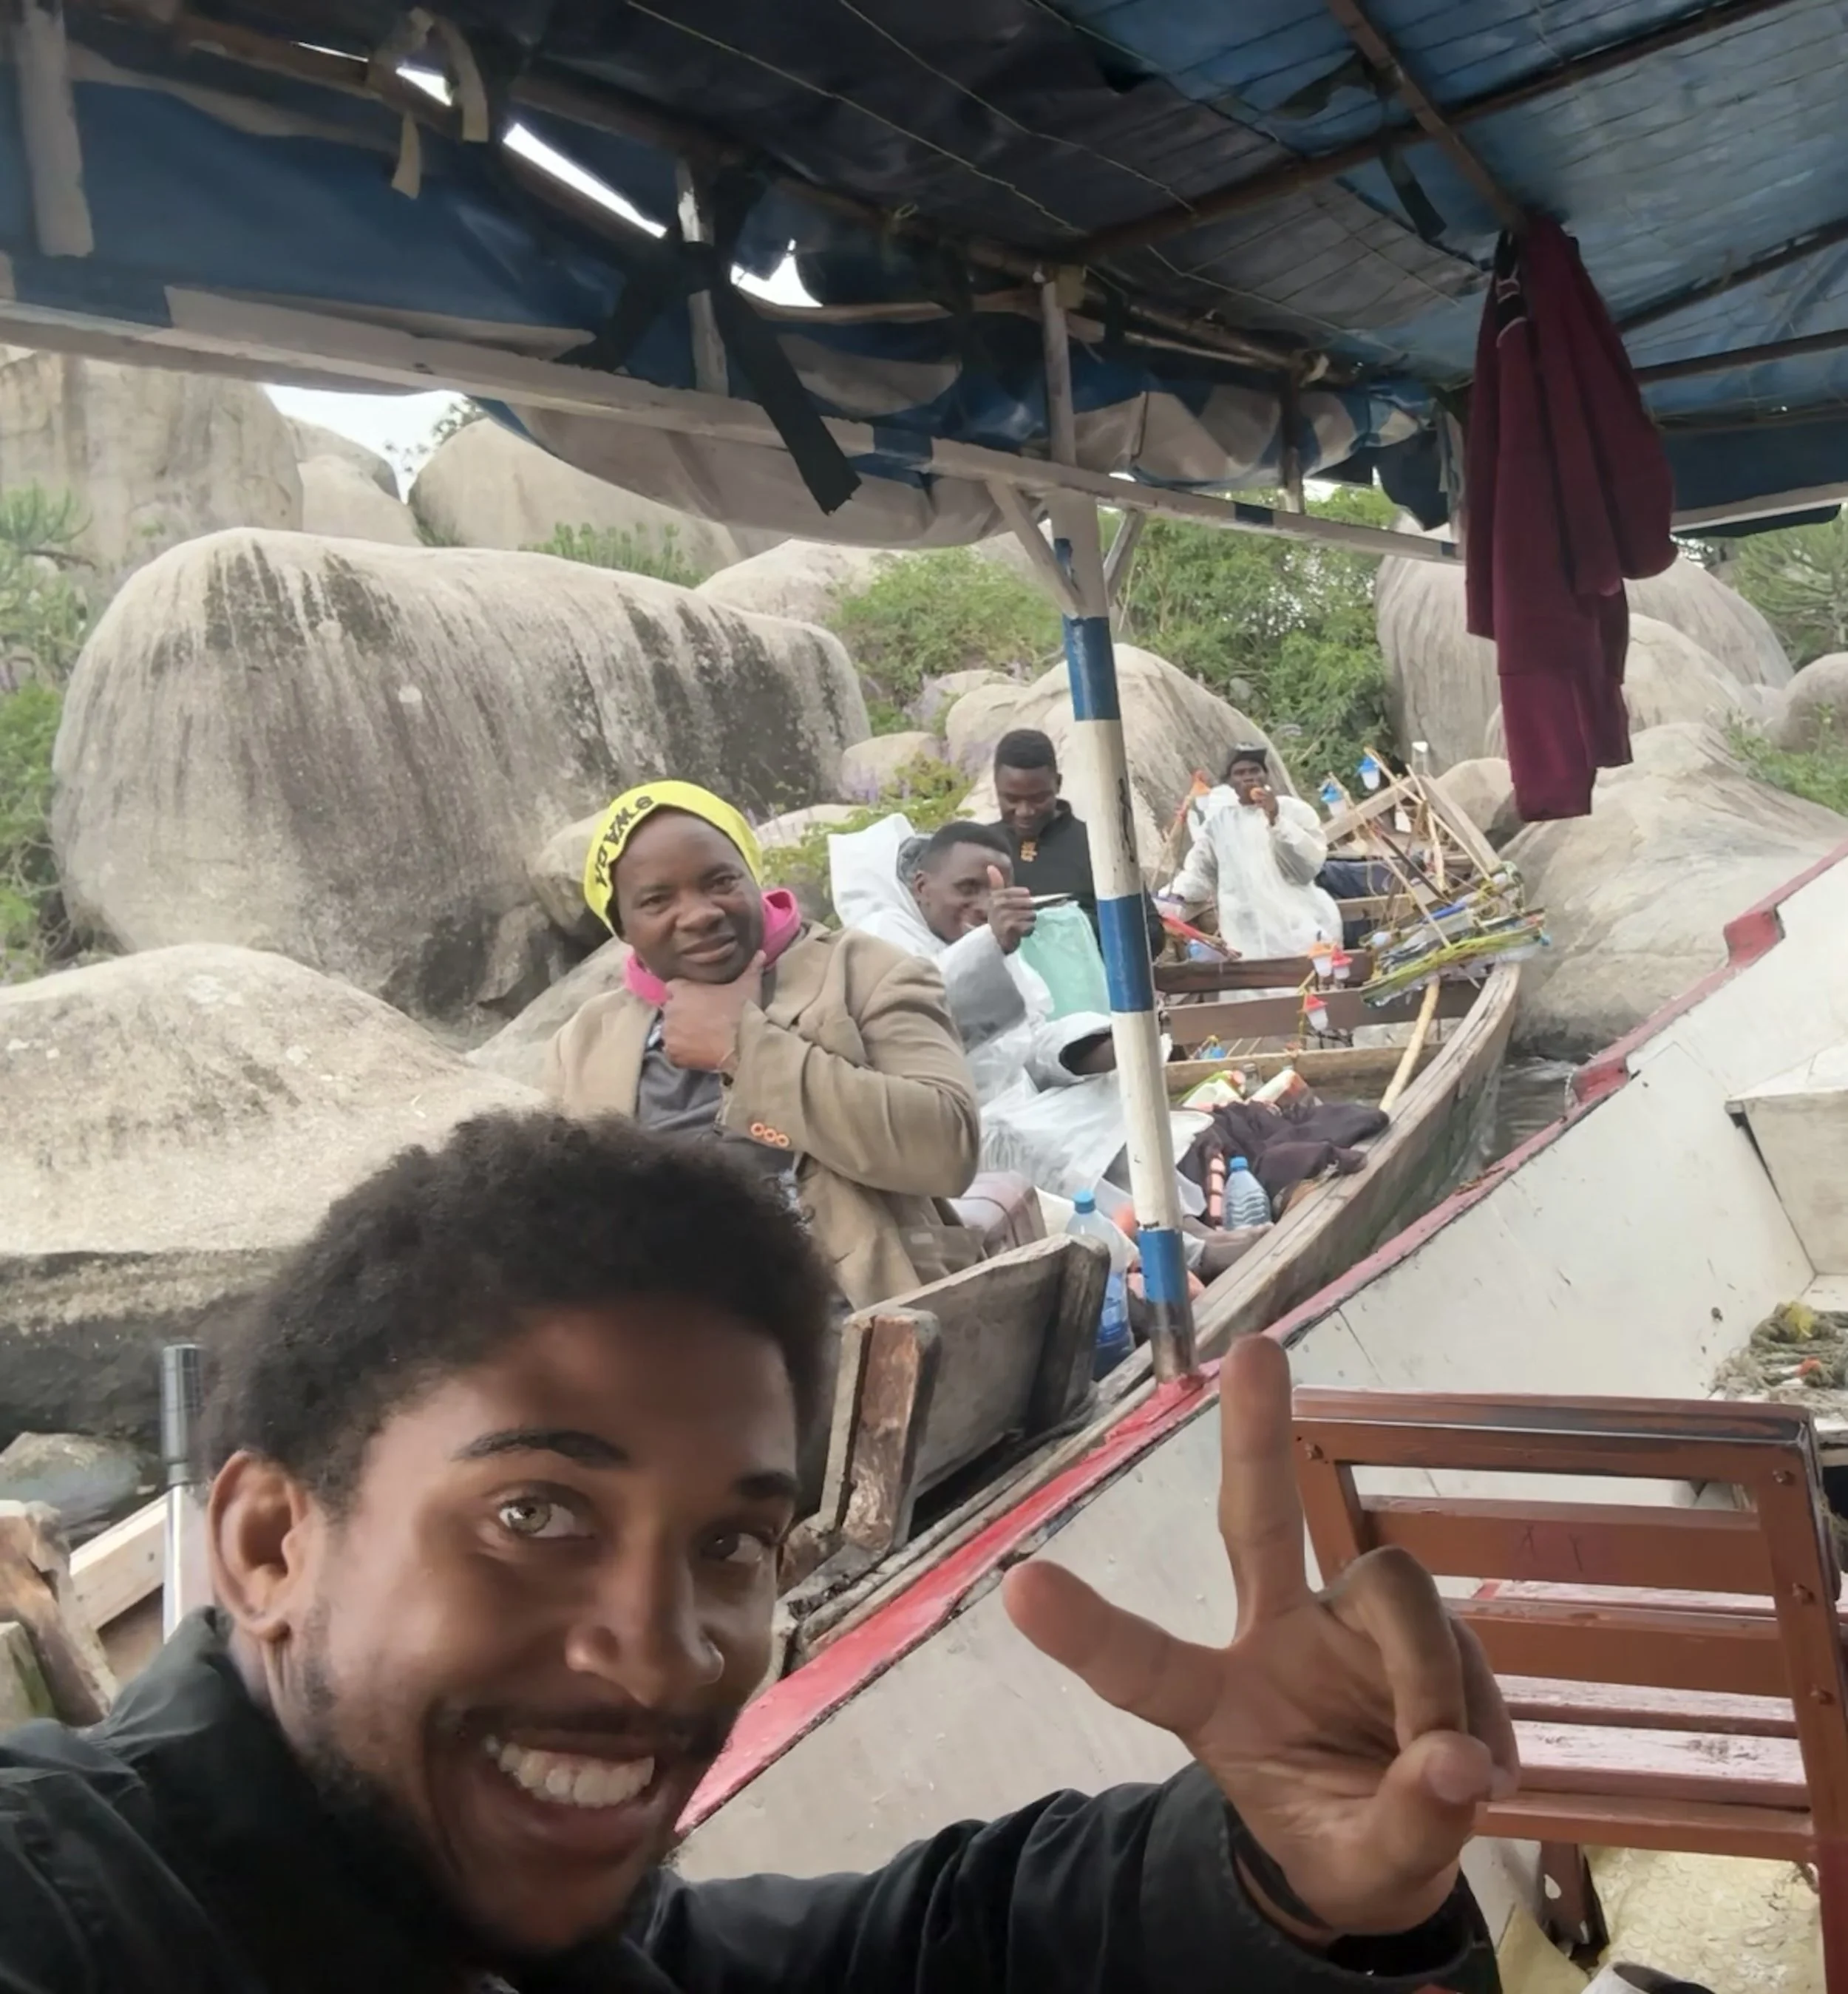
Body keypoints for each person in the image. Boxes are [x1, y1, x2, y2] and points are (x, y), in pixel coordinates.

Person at [0, 1110, 1509, 1991]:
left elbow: (917, 1951)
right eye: (537, 1513)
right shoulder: (72, 1913)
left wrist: (1280, 1885)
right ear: (269, 1540)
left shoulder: (492, 1916)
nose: (658, 1649)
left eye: (730, 1541)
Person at [546, 779, 981, 1310]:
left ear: (754, 878)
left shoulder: (867, 973)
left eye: (720, 880)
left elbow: (946, 1146)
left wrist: (742, 1047)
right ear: (623, 928)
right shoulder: (586, 1044)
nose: (700, 912)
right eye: (657, 900)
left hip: (858, 1327)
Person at [985, 728, 1164, 952]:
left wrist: (1072, 927)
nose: (1025, 812)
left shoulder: (1101, 847)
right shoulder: (980, 849)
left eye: (1038, 798)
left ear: (1057, 784)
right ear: (996, 787)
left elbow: (1152, 933)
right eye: (1011, 799)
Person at [1167, 745, 1344, 960]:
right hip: (1247, 937)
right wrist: (1173, 897)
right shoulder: (1219, 823)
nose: (1249, 778)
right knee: (1254, 989)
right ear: (1230, 782)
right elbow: (1200, 871)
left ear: (1265, 775)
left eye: (1254, 771)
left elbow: (1306, 868)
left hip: (1298, 928)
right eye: (1240, 773)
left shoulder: (1294, 811)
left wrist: (1275, 819)